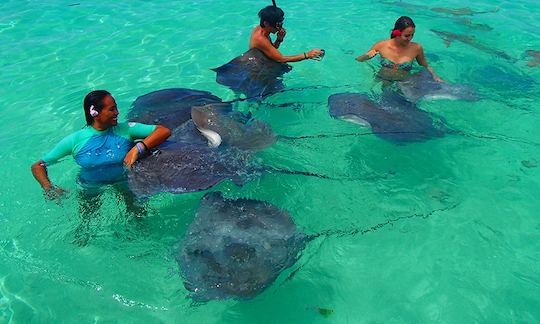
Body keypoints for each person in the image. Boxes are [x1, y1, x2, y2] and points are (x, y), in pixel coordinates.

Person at [31, 90, 171, 199]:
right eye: (111, 109)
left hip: (125, 182)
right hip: (90, 186)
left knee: (137, 216)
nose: (117, 112)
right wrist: (49, 188)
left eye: (116, 108)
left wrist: (137, 148)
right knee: (86, 226)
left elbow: (163, 131)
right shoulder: (75, 140)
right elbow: (38, 166)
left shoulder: (126, 129)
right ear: (95, 113)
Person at [356, 16, 443, 82]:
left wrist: (436, 77)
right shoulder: (381, 45)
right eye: (407, 35)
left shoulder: (416, 48)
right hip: (383, 80)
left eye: (412, 35)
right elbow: (358, 60)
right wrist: (366, 56)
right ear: (397, 33)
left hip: (404, 83)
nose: (410, 38)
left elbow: (425, 66)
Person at [249, 5, 324, 62]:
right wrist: (307, 55)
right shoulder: (260, 38)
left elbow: (271, 49)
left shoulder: (263, 30)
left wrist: (279, 39)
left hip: (264, 60)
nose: (280, 27)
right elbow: (280, 59)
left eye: (281, 23)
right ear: (266, 23)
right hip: (257, 67)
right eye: (278, 24)